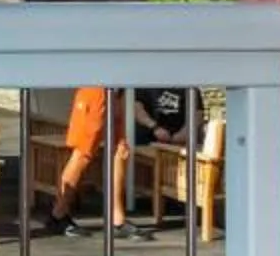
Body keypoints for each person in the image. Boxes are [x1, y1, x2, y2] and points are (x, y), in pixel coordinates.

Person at [34, 85, 188, 237]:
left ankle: (117, 219)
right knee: (83, 153)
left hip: (117, 89)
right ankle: (57, 215)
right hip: (96, 88)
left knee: (121, 151)